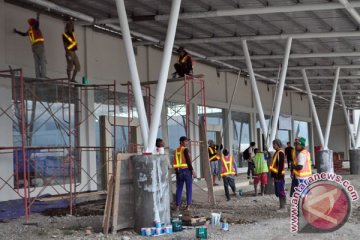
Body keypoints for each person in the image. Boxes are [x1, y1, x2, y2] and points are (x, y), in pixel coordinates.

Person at [14, 13, 47, 78]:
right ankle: (43, 76)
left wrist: (16, 31)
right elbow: (37, 23)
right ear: (34, 23)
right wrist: (38, 16)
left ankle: (38, 76)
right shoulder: (35, 27)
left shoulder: (30, 30)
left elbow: (23, 34)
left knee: (36, 62)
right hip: (39, 45)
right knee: (42, 61)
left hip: (34, 47)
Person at [173, 136, 196, 211]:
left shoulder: (176, 150)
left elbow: (175, 162)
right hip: (186, 171)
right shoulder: (185, 150)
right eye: (185, 141)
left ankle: (177, 206)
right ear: (181, 142)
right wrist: (192, 171)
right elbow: (188, 161)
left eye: (187, 141)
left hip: (179, 171)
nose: (187, 143)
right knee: (189, 188)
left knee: (179, 189)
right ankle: (188, 205)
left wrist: (176, 172)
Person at [269, 139, 286, 211]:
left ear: (278, 144)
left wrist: (278, 175)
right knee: (278, 191)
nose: (273, 145)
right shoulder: (277, 152)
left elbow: (281, 165)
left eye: (274, 144)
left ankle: (283, 207)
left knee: (280, 190)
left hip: (279, 175)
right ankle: (281, 206)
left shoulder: (280, 153)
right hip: (276, 175)